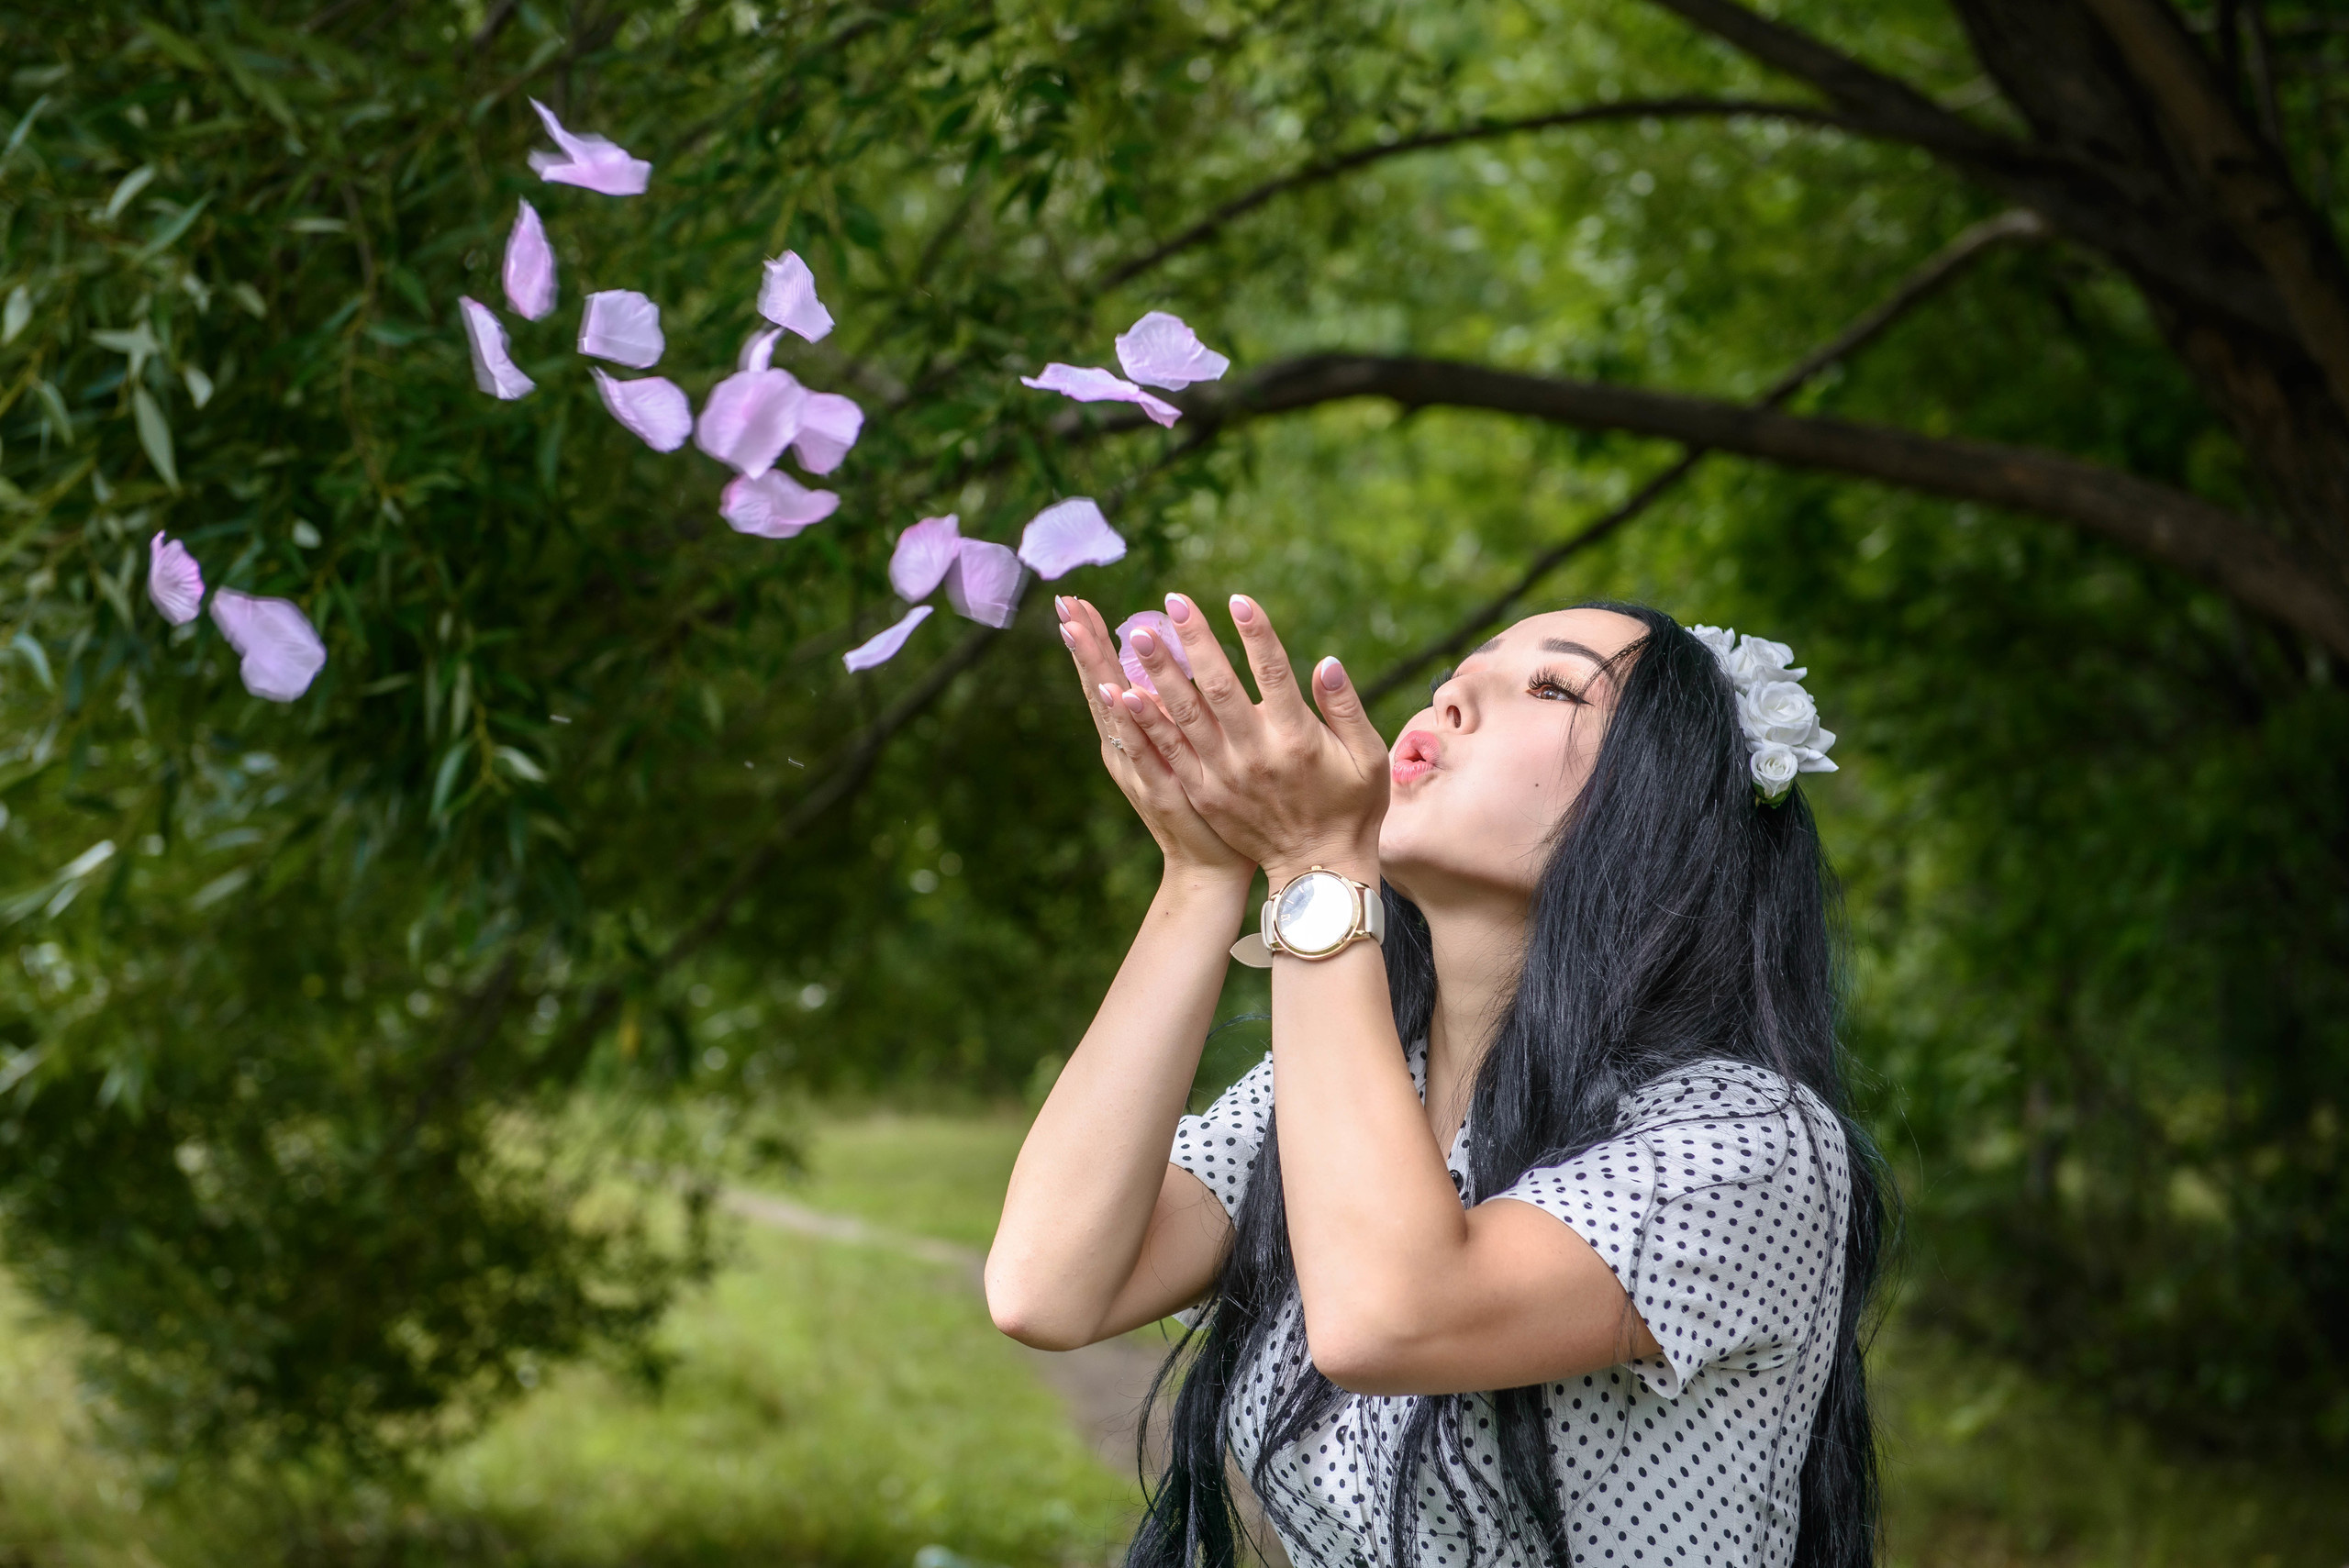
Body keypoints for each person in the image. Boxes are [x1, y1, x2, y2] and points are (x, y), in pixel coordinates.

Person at [986, 591, 1885, 1568]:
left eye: (1549, 684)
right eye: (1453, 678)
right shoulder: (1348, 1091)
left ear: (1666, 803)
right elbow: (1049, 1283)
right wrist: (1200, 869)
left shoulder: (1750, 1140)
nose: (1450, 698)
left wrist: (1311, 859)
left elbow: (1387, 1313)